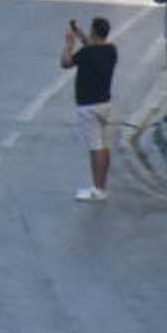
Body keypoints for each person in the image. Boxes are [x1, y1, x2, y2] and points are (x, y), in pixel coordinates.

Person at [61, 17, 117, 201]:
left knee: (95, 148)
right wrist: (80, 33)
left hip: (88, 106)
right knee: (105, 145)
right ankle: (103, 185)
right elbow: (91, 46)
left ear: (94, 32)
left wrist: (69, 42)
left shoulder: (87, 53)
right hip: (105, 104)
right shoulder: (111, 50)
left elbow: (66, 62)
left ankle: (97, 189)